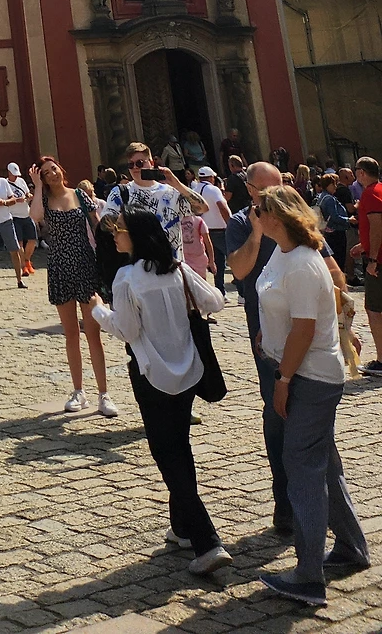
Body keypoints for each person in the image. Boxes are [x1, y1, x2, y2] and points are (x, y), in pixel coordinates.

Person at [93, 210, 230, 574]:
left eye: (120, 230)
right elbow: (215, 300)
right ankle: (182, 527)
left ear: (136, 236)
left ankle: (207, 542)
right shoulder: (178, 271)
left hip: (151, 374)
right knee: (179, 446)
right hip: (188, 370)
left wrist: (99, 312)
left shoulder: (126, 278)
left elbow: (126, 329)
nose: (115, 236)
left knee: (167, 454)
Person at [252, 185, 370, 609]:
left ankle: (308, 575)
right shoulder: (282, 253)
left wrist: (283, 379)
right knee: (324, 464)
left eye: (258, 209)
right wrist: (267, 332)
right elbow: (281, 306)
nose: (253, 214)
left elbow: (305, 328)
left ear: (277, 217)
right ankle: (351, 547)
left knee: (302, 466)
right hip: (299, 371)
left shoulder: (302, 262)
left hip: (310, 378)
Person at [29, 158, 117, 416]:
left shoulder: (79, 194)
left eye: (54, 169)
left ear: (61, 169)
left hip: (85, 264)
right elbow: (35, 217)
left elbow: (98, 224)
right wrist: (37, 187)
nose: (52, 174)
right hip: (60, 267)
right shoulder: (44, 200)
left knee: (93, 333)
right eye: (46, 173)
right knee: (71, 334)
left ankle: (104, 394)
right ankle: (79, 391)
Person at [101, 143, 206, 257]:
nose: (135, 167)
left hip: (172, 263)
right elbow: (105, 224)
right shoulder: (120, 192)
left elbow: (202, 208)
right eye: (131, 164)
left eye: (140, 163)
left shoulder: (171, 192)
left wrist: (177, 184)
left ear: (151, 163)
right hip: (139, 263)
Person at [350, 155, 382, 374]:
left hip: (378, 261)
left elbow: (377, 226)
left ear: (361, 172)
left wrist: (372, 259)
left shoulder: (370, 194)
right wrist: (364, 245)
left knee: (374, 310)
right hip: (376, 255)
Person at [194, 166, 231, 293]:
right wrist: (230, 223)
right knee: (232, 258)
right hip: (220, 229)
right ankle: (241, 292)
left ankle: (220, 290)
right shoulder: (213, 190)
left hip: (205, 230)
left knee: (216, 261)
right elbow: (222, 206)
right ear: (211, 178)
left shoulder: (194, 190)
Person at [5, 163, 36, 274]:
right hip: (14, 216)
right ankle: (23, 266)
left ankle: (27, 260)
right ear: (9, 173)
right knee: (20, 243)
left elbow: (27, 192)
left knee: (32, 240)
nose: (16, 177)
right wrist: (17, 200)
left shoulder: (21, 181)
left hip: (26, 214)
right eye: (14, 174)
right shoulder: (5, 184)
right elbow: (5, 200)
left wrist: (29, 196)